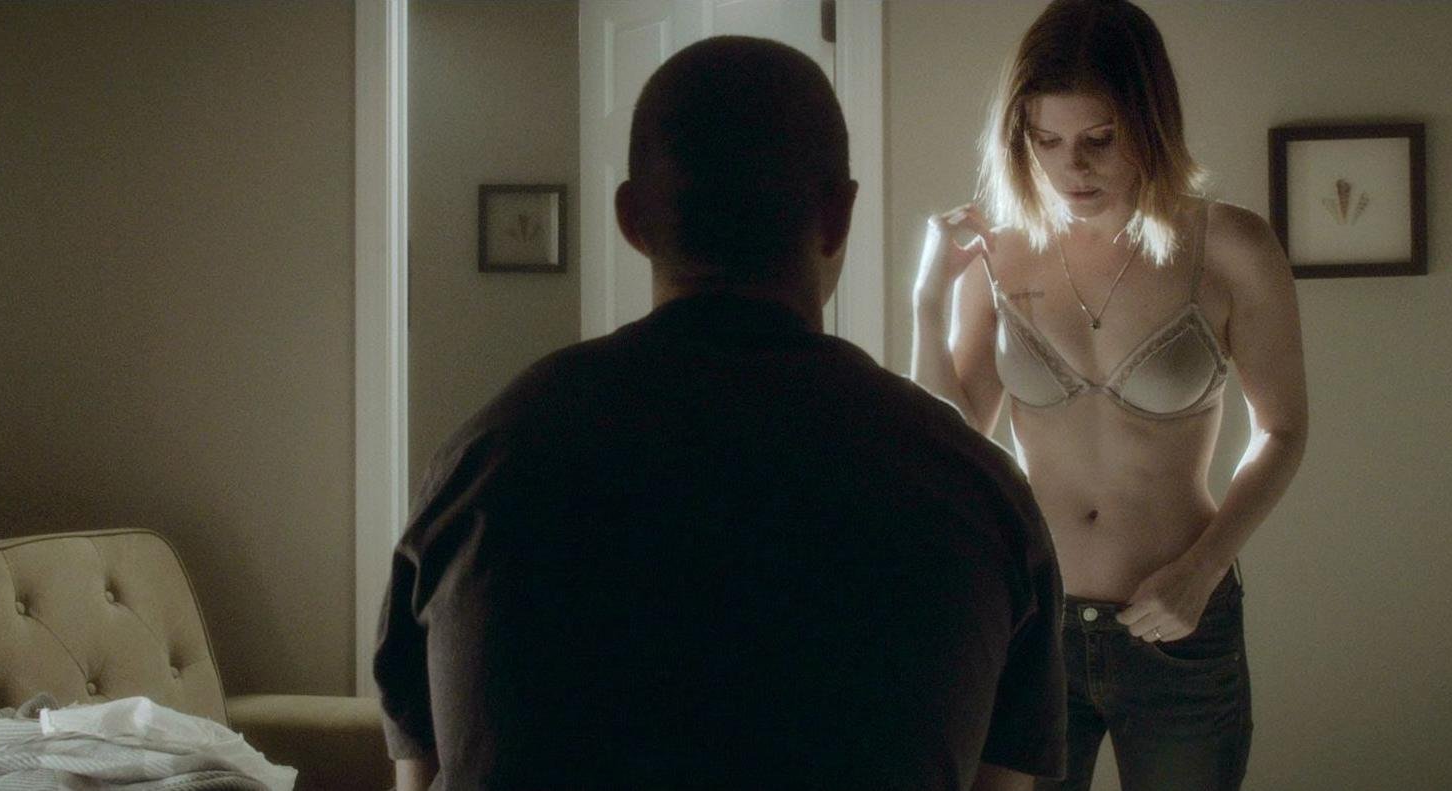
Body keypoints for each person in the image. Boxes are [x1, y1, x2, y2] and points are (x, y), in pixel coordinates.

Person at [375, 35, 1065, 791]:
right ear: (837, 216)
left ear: (632, 219)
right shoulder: (976, 493)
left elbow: (421, 774)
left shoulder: (483, 465)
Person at [910, 1, 1308, 789]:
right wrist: (926, 301)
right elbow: (954, 443)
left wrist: (1202, 569)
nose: (1074, 168)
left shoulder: (1231, 248)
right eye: (1046, 140)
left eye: (1100, 138)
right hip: (1032, 623)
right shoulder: (999, 255)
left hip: (1179, 622)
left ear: (1151, 124)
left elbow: (1284, 429)